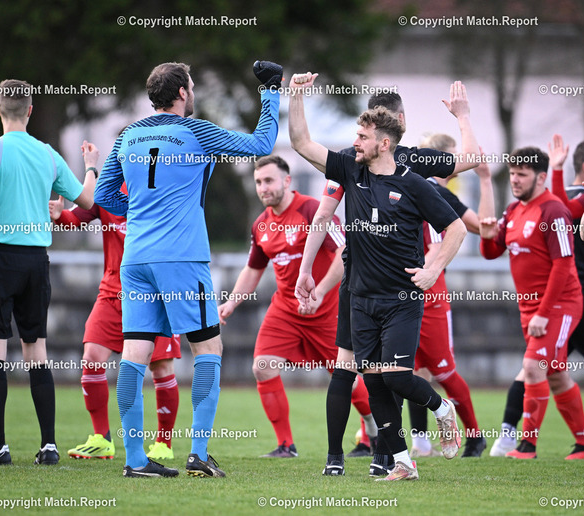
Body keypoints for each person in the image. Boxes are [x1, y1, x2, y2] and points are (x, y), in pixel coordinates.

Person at [94, 60, 281, 478]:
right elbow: (261, 143)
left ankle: (135, 460)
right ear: (181, 93)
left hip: (135, 259)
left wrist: (140, 213)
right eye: (192, 86)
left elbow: (105, 195)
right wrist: (271, 90)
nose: (193, 92)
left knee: (134, 355)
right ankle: (197, 454)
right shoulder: (196, 131)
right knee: (208, 350)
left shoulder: (127, 135)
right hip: (181, 259)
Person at [290, 71, 467, 481]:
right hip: (360, 298)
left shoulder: (414, 185)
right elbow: (301, 143)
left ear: (383, 144)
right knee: (373, 381)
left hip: (401, 300)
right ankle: (403, 462)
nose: (355, 142)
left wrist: (433, 268)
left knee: (396, 377)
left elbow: (456, 228)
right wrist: (296, 96)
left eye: (362, 137)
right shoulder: (350, 170)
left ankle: (443, 408)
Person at [0, 79, 97, 465]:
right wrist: (91, 167)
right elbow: (86, 200)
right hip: (37, 261)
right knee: (36, 349)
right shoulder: (48, 154)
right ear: (30, 111)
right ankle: (49, 446)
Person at [217, 155, 371, 459]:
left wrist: (320, 292)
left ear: (287, 181)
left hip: (327, 308)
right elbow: (253, 269)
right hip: (286, 310)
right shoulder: (260, 225)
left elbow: (345, 252)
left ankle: (371, 431)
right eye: (258, 182)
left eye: (269, 180)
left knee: (347, 378)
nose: (263, 187)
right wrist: (232, 301)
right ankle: (286, 445)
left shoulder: (313, 210)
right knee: (262, 366)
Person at [479, 146, 584, 460]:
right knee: (555, 374)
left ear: (541, 178)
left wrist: (544, 314)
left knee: (533, 367)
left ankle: (527, 446)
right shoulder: (513, 210)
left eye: (522, 174)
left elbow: (563, 264)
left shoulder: (553, 210)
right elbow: (491, 253)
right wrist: (487, 236)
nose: (515, 180)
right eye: (512, 173)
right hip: (529, 308)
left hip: (559, 304)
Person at [48, 195, 182, 462]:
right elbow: (75, 219)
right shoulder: (107, 187)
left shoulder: (160, 186)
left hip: (155, 294)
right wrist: (60, 215)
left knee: (160, 366)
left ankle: (163, 443)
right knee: (92, 358)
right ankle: (102, 438)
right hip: (112, 292)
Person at [407, 135, 491, 459]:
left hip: (430, 291)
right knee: (405, 371)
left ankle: (475, 436)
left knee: (441, 370)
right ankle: (412, 442)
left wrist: (486, 181)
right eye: (451, 156)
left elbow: (482, 229)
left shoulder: (437, 193)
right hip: (404, 292)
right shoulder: (415, 187)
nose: (456, 163)